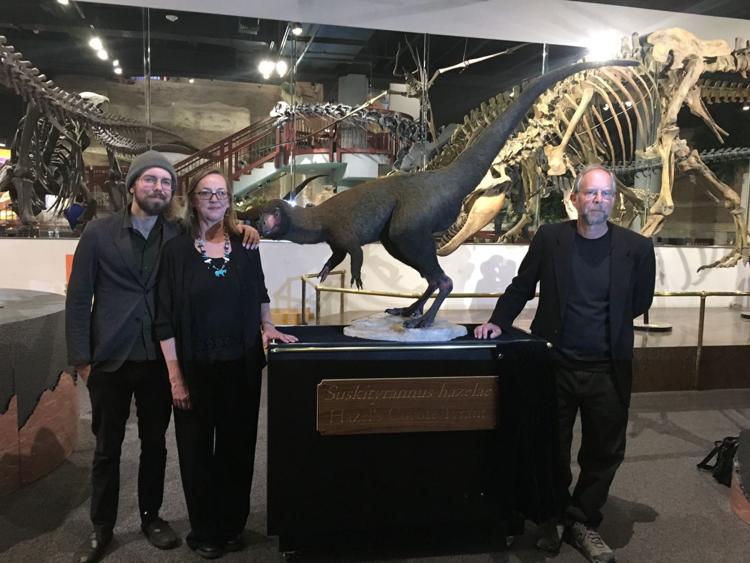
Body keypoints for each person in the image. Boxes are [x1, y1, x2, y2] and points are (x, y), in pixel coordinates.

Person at [66, 151, 259, 563]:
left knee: (155, 445)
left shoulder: (177, 235)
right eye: (150, 180)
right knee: (106, 447)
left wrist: (242, 227)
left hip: (160, 359)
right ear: (133, 185)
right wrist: (81, 359)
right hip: (111, 358)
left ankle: (152, 517)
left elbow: (218, 229)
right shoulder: (98, 234)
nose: (158, 188)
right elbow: (79, 299)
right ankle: (102, 527)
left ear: (174, 192)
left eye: (165, 182)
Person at [475, 164, 655, 563]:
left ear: (614, 200)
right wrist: (497, 322)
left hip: (608, 369)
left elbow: (639, 302)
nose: (598, 200)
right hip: (555, 364)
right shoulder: (551, 238)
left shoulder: (638, 249)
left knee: (603, 451)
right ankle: (552, 515)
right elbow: (522, 285)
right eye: (590, 193)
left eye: (605, 194)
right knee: (550, 448)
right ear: (574, 198)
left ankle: (582, 520)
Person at [155, 168, 297, 560]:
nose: (214, 199)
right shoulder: (177, 252)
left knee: (238, 449)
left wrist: (268, 326)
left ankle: (232, 525)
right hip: (195, 370)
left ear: (229, 200)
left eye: (221, 193)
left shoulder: (247, 246)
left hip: (242, 367)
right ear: (192, 200)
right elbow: (164, 318)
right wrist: (175, 377)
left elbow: (261, 294)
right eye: (206, 193)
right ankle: (205, 530)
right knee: (197, 453)